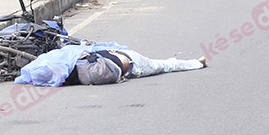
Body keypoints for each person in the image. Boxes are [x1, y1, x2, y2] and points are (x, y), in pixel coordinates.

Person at [68, 48, 207, 85]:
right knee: (164, 65)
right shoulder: (83, 66)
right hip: (131, 63)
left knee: (163, 64)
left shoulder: (77, 67)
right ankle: (196, 63)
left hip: (128, 60)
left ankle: (194, 63)